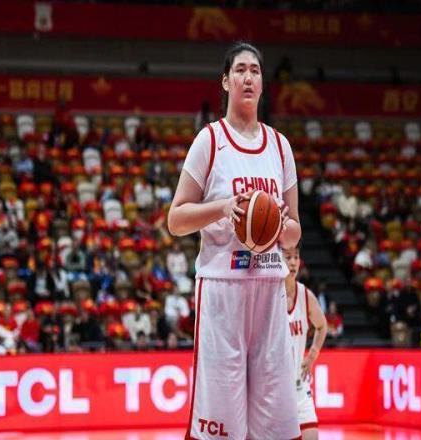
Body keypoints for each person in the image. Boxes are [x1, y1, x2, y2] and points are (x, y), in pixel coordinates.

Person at [168, 42, 301, 440]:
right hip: (223, 289)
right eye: (240, 70)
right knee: (220, 427)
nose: (248, 77)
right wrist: (224, 208)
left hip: (269, 287)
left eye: (255, 71)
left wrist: (277, 225)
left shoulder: (280, 146)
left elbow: (294, 231)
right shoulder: (210, 141)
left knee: (276, 426)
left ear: (262, 84)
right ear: (226, 82)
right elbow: (176, 219)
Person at [284, 245, 327, 440]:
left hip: (299, 386)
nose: (293, 262)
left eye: (296, 257)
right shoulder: (268, 297)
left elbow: (322, 326)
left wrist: (312, 355)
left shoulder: (305, 296)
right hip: (274, 388)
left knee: (312, 436)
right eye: (288, 257)